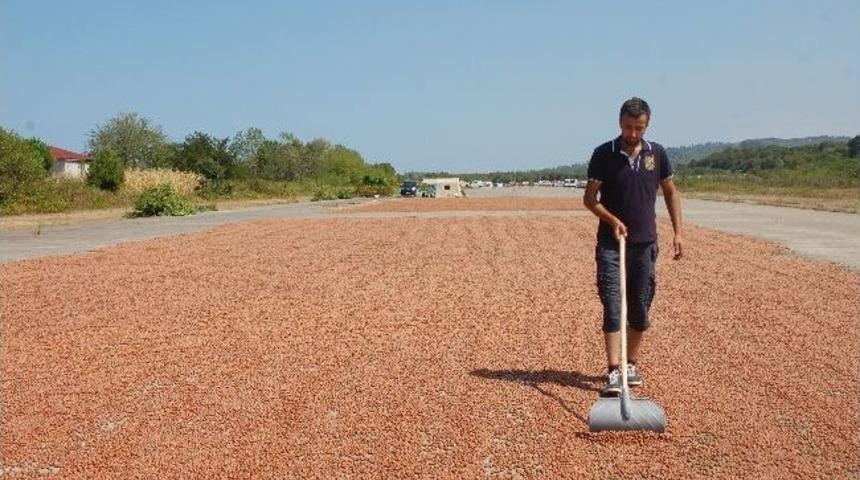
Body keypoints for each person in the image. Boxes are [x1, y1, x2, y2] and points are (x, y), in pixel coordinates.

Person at [583, 97, 683, 396]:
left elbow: (670, 192)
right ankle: (613, 371)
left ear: (647, 124)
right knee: (613, 304)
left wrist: (679, 232)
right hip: (611, 244)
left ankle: (630, 364)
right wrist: (612, 219)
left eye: (639, 128)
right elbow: (590, 200)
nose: (633, 134)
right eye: (628, 127)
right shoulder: (604, 154)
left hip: (645, 242)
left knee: (639, 307)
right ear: (620, 123)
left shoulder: (657, 154)